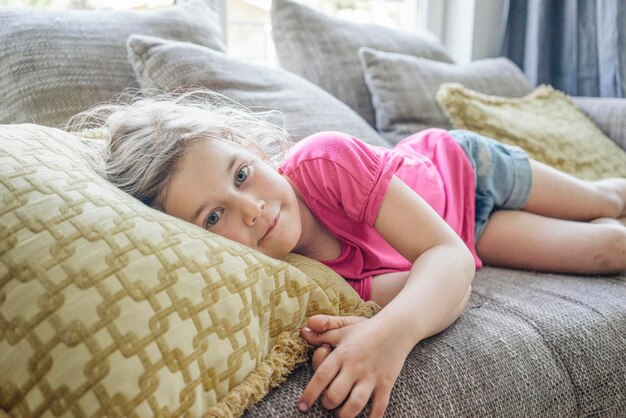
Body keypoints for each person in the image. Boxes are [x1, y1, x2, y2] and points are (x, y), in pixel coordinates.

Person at [75, 91, 626, 418]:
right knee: (612, 246)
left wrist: (391, 337)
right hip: (470, 235)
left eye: (242, 174)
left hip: (466, 168)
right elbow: (432, 272)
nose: (250, 209)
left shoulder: (324, 161)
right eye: (212, 217)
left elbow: (443, 258)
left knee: (606, 200)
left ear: (258, 151)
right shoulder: (292, 279)